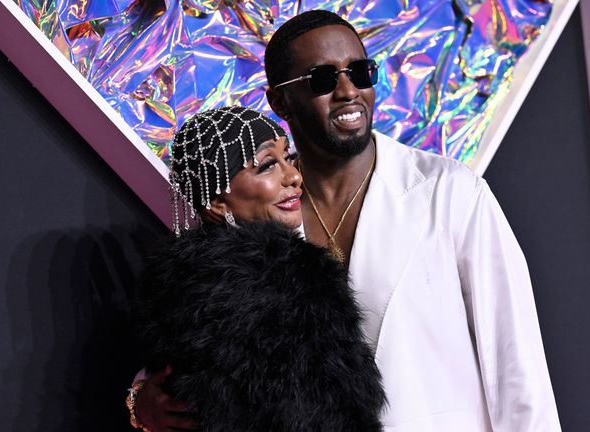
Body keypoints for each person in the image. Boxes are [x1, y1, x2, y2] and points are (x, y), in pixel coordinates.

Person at [135, 11, 561, 431]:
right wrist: (142, 399)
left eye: (360, 71)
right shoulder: (264, 210)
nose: (348, 91)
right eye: (322, 78)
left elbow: (515, 361)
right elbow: (207, 335)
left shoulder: (449, 192)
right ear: (280, 100)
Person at [128, 106, 386, 432]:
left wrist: (138, 401)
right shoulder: (292, 281)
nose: (293, 176)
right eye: (266, 166)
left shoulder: (181, 287)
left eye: (288, 159)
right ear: (217, 201)